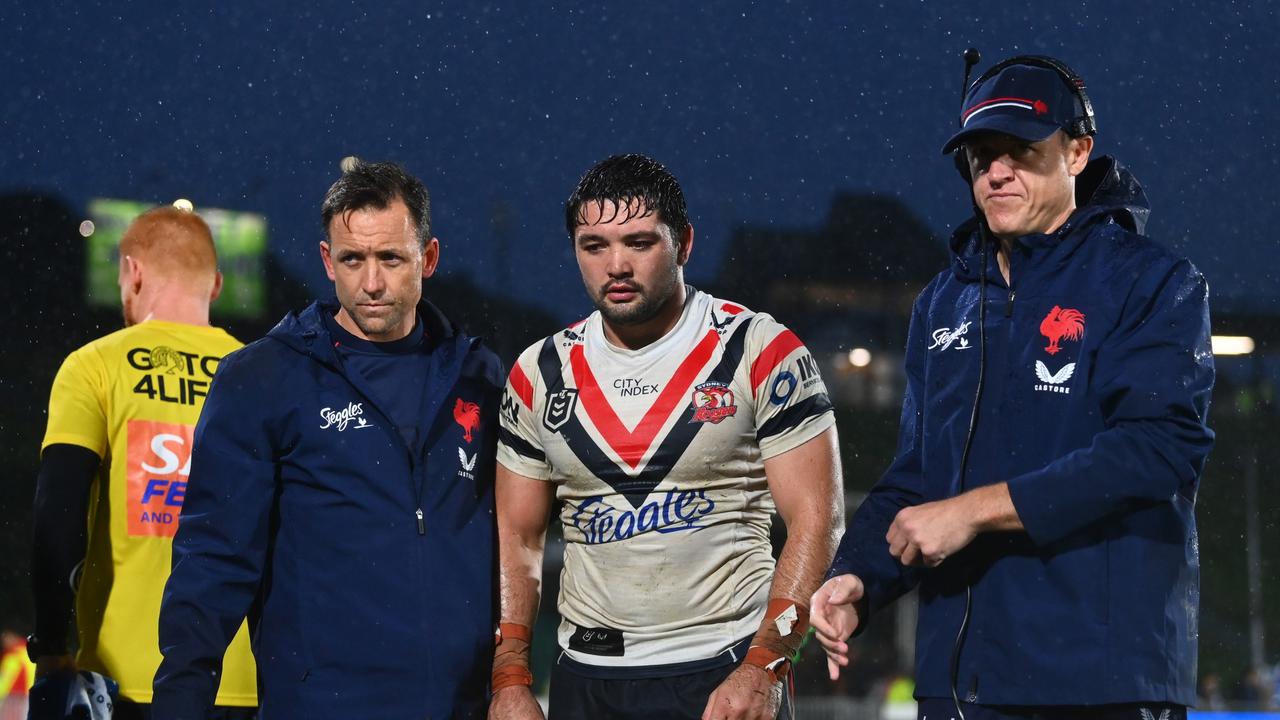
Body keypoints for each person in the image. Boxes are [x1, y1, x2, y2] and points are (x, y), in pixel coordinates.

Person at [810, 56, 1215, 720]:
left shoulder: (1152, 282)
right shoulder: (942, 302)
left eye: (1020, 152)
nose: (995, 172)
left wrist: (973, 511)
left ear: (1077, 152)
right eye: (979, 155)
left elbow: (1158, 449)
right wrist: (858, 579)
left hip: (1096, 683)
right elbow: (919, 477)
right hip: (957, 686)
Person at [489, 154, 843, 720]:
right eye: (594, 245)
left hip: (723, 668)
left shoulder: (759, 350)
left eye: (639, 241)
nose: (617, 265)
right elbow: (519, 536)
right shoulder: (536, 373)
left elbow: (818, 519)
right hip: (586, 677)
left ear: (684, 244)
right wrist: (509, 675)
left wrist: (766, 664)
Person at [151, 161, 504, 719]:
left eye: (390, 258)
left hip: (459, 706)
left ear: (428, 258)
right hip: (320, 704)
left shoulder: (480, 376)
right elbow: (214, 558)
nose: (371, 282)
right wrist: (179, 703)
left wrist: (509, 678)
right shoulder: (262, 377)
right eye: (352, 259)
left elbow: (516, 540)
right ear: (326, 261)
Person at [29, 205, 257, 719]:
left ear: (132, 272)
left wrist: (49, 644)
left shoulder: (93, 367)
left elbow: (57, 517)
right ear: (216, 285)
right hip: (242, 681)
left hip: (123, 683)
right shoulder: (262, 376)